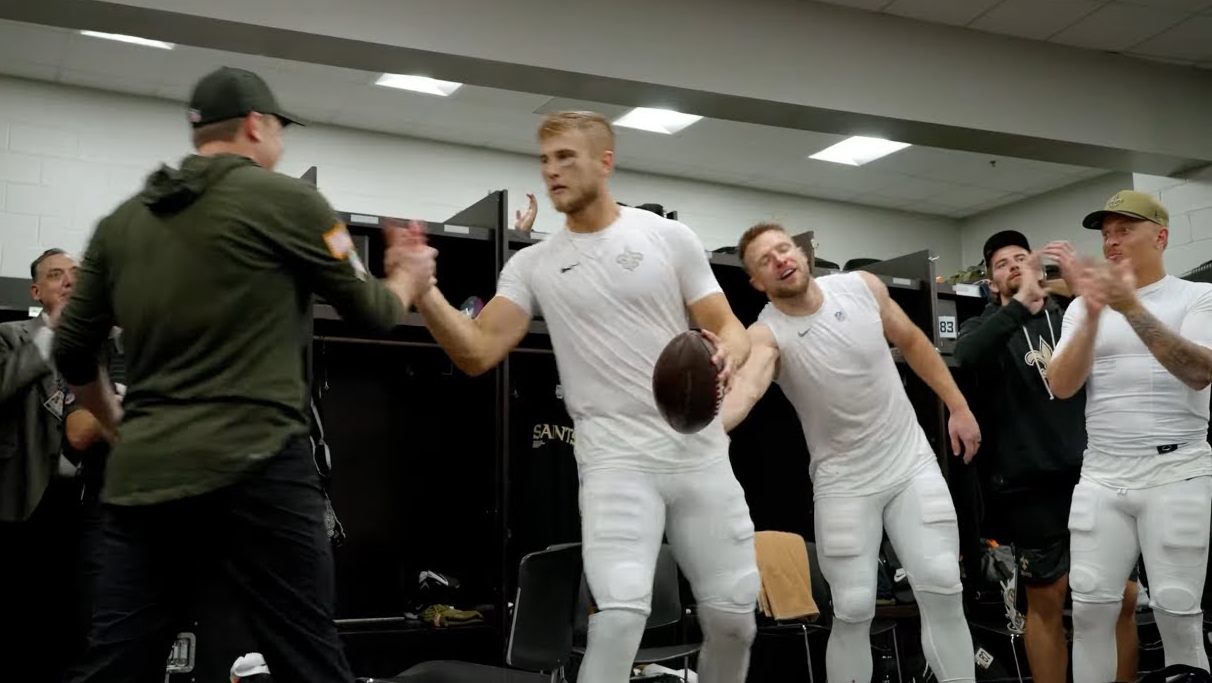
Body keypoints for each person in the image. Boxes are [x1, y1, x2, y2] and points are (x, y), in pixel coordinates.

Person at [51, 66, 437, 683]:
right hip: (258, 467)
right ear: (257, 125)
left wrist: (120, 424)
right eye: (280, 130)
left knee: (118, 661)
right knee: (306, 656)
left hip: (148, 474)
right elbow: (376, 312)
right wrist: (409, 276)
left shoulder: (121, 223)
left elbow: (71, 351)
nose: (281, 145)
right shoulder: (290, 200)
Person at [412, 111, 760, 683]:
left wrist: (727, 352)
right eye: (545, 160)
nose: (551, 172)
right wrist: (425, 293)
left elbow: (731, 328)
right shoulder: (532, 265)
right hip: (614, 462)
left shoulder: (667, 238)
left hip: (698, 454)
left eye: (566, 157)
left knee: (734, 619)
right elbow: (476, 351)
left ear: (605, 161)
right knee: (620, 617)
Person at [723, 222, 983, 683]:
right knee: (854, 605)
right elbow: (746, 389)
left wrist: (958, 407)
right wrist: (704, 432)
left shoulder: (860, 287)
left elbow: (915, 342)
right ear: (757, 282)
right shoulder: (767, 333)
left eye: (784, 249)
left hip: (910, 464)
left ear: (801, 254)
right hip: (843, 482)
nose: (781, 260)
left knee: (943, 584)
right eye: (766, 260)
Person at [954, 230, 1139, 683]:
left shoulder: (1072, 316)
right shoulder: (985, 328)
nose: (1014, 265)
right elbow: (966, 356)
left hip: (1097, 475)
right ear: (992, 282)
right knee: (1047, 599)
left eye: (1022, 257)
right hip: (1031, 487)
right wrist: (1019, 305)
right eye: (1002, 264)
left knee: (1123, 596)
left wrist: (1076, 290)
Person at [1044, 190, 1212, 683]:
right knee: (1091, 605)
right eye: (1106, 234)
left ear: (1159, 237)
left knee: (1178, 611)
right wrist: (1096, 311)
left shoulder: (1197, 297)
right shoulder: (1081, 309)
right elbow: (1060, 384)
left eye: (1124, 230)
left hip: (1176, 468)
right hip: (1102, 471)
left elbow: (1199, 372)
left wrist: (1129, 306)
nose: (1112, 242)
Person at [0, 248, 88, 682]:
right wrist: (53, 333)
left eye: (75, 275)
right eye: (56, 275)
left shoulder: (104, 341)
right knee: (16, 612)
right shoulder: (7, 336)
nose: (68, 281)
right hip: (22, 491)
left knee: (72, 610)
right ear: (37, 290)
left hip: (83, 498)